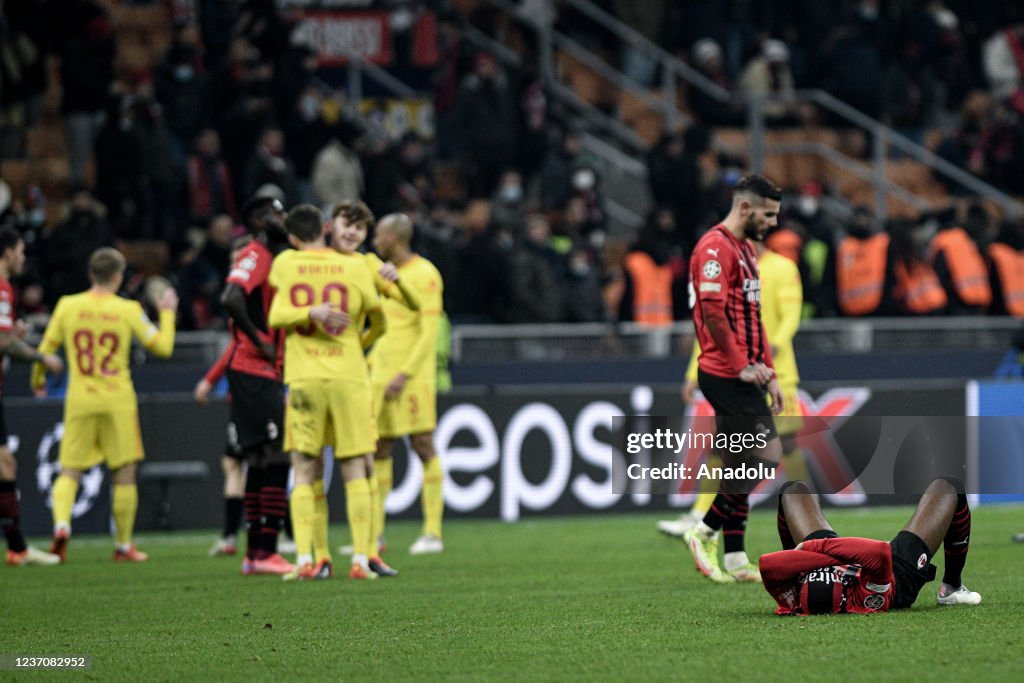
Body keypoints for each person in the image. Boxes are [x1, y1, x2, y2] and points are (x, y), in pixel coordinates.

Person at [659, 231, 807, 543]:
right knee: (726, 448)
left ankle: (807, 513)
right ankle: (703, 515)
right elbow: (714, 328)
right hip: (737, 376)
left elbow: (790, 316)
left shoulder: (782, 268)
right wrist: (692, 372)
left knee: (786, 445)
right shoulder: (730, 269)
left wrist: (776, 347)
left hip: (777, 371)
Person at [33, 247, 177, 562]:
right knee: (124, 472)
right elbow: (163, 347)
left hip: (80, 397)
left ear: (90, 274)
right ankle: (124, 545)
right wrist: (167, 313)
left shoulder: (68, 306)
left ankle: (61, 526)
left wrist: (37, 379)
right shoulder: (127, 309)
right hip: (117, 399)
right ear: (118, 276)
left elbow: (45, 349)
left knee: (70, 470)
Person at [268, 204, 386, 581]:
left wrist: (311, 314)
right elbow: (379, 319)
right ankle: (361, 561)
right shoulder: (355, 267)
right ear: (326, 227)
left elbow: (275, 317)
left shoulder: (286, 262)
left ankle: (308, 559)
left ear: (291, 237)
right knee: (355, 467)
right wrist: (357, 341)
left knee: (305, 469)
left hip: (305, 377)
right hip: (349, 376)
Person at [681, 174, 785, 584]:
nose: (773, 222)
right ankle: (703, 531)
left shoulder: (744, 248)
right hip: (726, 375)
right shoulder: (714, 248)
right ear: (745, 208)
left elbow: (751, 319)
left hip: (746, 373)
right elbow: (712, 312)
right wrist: (743, 365)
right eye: (769, 213)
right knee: (766, 457)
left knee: (739, 463)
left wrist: (769, 373)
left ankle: (737, 556)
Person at [329, 202, 421, 573]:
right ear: (329, 226)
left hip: (352, 377)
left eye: (359, 230)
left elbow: (410, 306)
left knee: (364, 461)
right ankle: (313, 555)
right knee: (310, 467)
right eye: (346, 226)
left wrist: (397, 280)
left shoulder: (367, 265)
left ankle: (365, 553)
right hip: (308, 377)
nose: (352, 234)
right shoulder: (303, 261)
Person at [760, 478, 981, 614]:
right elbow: (877, 552)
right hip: (894, 573)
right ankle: (952, 587)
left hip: (831, 559)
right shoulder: (867, 597)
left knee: (792, 489)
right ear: (848, 592)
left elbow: (767, 565)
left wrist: (797, 569)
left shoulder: (793, 599)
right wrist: (816, 548)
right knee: (950, 487)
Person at [220, 197, 294, 576]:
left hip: (253, 370)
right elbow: (230, 297)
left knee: (259, 459)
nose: (284, 219)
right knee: (279, 455)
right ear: (261, 219)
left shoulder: (268, 254)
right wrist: (261, 339)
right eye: (278, 213)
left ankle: (255, 554)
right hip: (254, 368)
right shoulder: (257, 252)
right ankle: (266, 550)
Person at [369, 213, 446, 556]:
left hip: (412, 376)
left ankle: (432, 532)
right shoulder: (384, 276)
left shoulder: (426, 274)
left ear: (394, 238)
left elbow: (429, 332)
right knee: (379, 447)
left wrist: (405, 373)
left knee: (422, 443)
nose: (374, 241)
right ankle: (375, 534)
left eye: (378, 235)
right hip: (381, 373)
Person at [0, 228, 63, 566]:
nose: (23, 257)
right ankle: (18, 548)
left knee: (5, 464)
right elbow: (2, 343)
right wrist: (41, 356)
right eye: (21, 251)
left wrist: (10, 334)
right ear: (8, 253)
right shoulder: (2, 287)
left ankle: (18, 548)